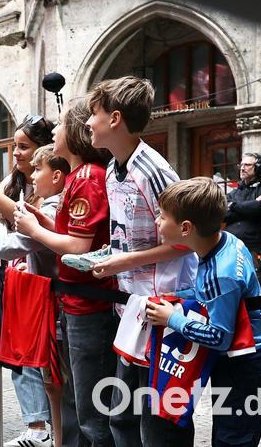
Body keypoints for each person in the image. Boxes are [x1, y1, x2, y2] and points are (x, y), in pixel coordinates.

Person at [83, 76, 197, 446]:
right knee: (122, 418)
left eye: (94, 114)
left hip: (163, 313)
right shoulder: (114, 167)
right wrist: (112, 260)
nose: (88, 123)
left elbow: (187, 240)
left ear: (115, 118)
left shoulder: (152, 170)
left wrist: (123, 262)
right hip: (133, 310)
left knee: (161, 425)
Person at [12, 98, 115, 446]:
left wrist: (33, 229)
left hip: (89, 304)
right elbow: (72, 231)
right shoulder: (77, 177)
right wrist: (44, 221)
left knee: (90, 409)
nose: (54, 130)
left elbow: (78, 246)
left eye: (59, 125)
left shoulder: (86, 177)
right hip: (76, 301)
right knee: (76, 397)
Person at [146, 177, 261, 447]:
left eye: (162, 216)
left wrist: (173, 318)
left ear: (185, 228)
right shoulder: (226, 241)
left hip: (246, 368)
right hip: (239, 365)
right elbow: (209, 297)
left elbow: (220, 336)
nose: (157, 222)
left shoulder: (222, 273)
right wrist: (178, 299)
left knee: (232, 442)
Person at [0, 145, 74, 447]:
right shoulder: (52, 201)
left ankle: (59, 438)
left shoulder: (54, 206)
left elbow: (8, 245)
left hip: (60, 305)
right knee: (53, 381)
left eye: (38, 169)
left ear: (56, 175)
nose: (32, 174)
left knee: (60, 383)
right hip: (49, 302)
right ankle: (56, 438)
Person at [223, 152, 261, 293]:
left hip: (255, 248)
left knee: (257, 289)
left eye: (247, 165)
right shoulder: (235, 191)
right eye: (241, 165)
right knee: (231, 287)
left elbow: (257, 208)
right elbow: (224, 214)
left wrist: (234, 206)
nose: (242, 168)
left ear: (259, 167)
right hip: (231, 248)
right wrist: (247, 207)